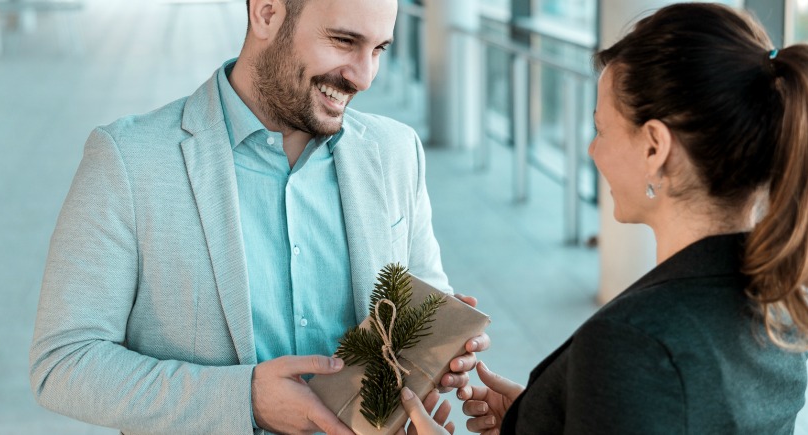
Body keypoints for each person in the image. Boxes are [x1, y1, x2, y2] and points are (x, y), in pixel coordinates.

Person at [29, 0, 489, 434]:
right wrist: (243, 399)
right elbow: (64, 362)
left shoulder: (396, 151)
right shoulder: (129, 160)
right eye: (345, 42)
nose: (365, 76)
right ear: (267, 13)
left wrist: (438, 353)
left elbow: (425, 297)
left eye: (379, 49)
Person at [402, 3, 808, 434]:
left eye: (602, 129)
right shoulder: (782, 305)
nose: (593, 151)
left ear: (655, 148)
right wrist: (545, 416)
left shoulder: (633, 341)